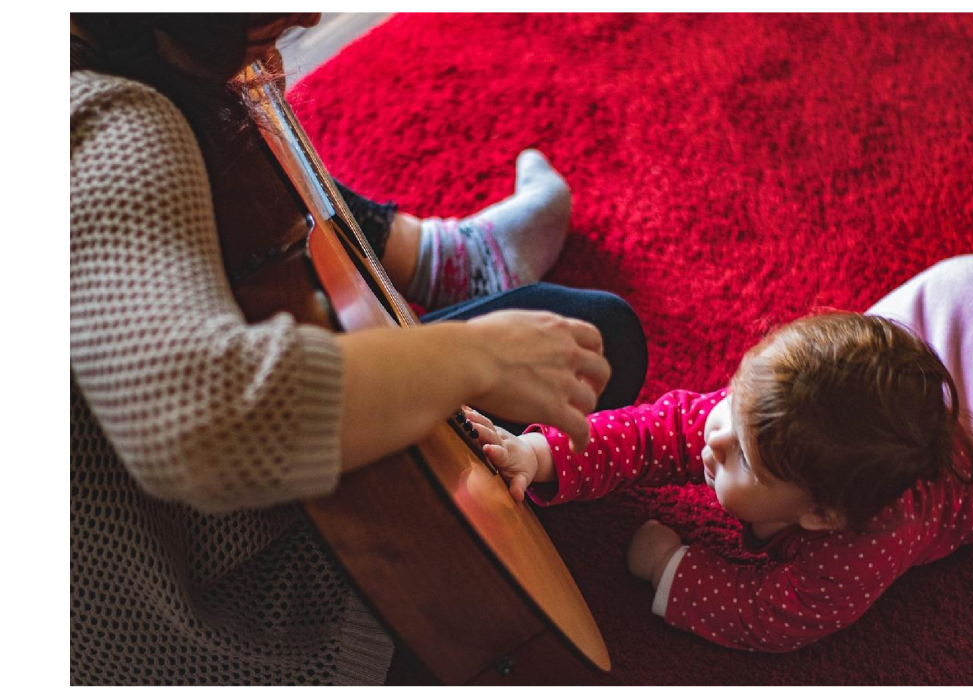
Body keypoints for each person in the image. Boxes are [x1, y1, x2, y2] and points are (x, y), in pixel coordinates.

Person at [70, 13, 647, 685]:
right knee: (588, 343)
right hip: (218, 619)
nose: (310, 18)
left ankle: (441, 257)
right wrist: (473, 357)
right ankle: (452, 261)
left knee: (583, 335)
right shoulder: (116, 120)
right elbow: (202, 423)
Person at [471, 209, 973, 652]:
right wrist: (539, 453)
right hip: (955, 299)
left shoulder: (865, 541)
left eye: (744, 458)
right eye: (733, 397)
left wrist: (669, 567)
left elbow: (776, 615)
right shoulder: (754, 421)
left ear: (822, 516)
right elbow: (653, 432)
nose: (713, 434)